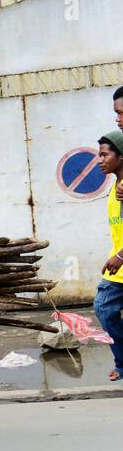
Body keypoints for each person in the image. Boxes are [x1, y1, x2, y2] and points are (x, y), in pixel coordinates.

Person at [95, 130, 123, 380]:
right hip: (120, 267)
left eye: (105, 155)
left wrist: (121, 256)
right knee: (103, 308)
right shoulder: (117, 186)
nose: (100, 160)